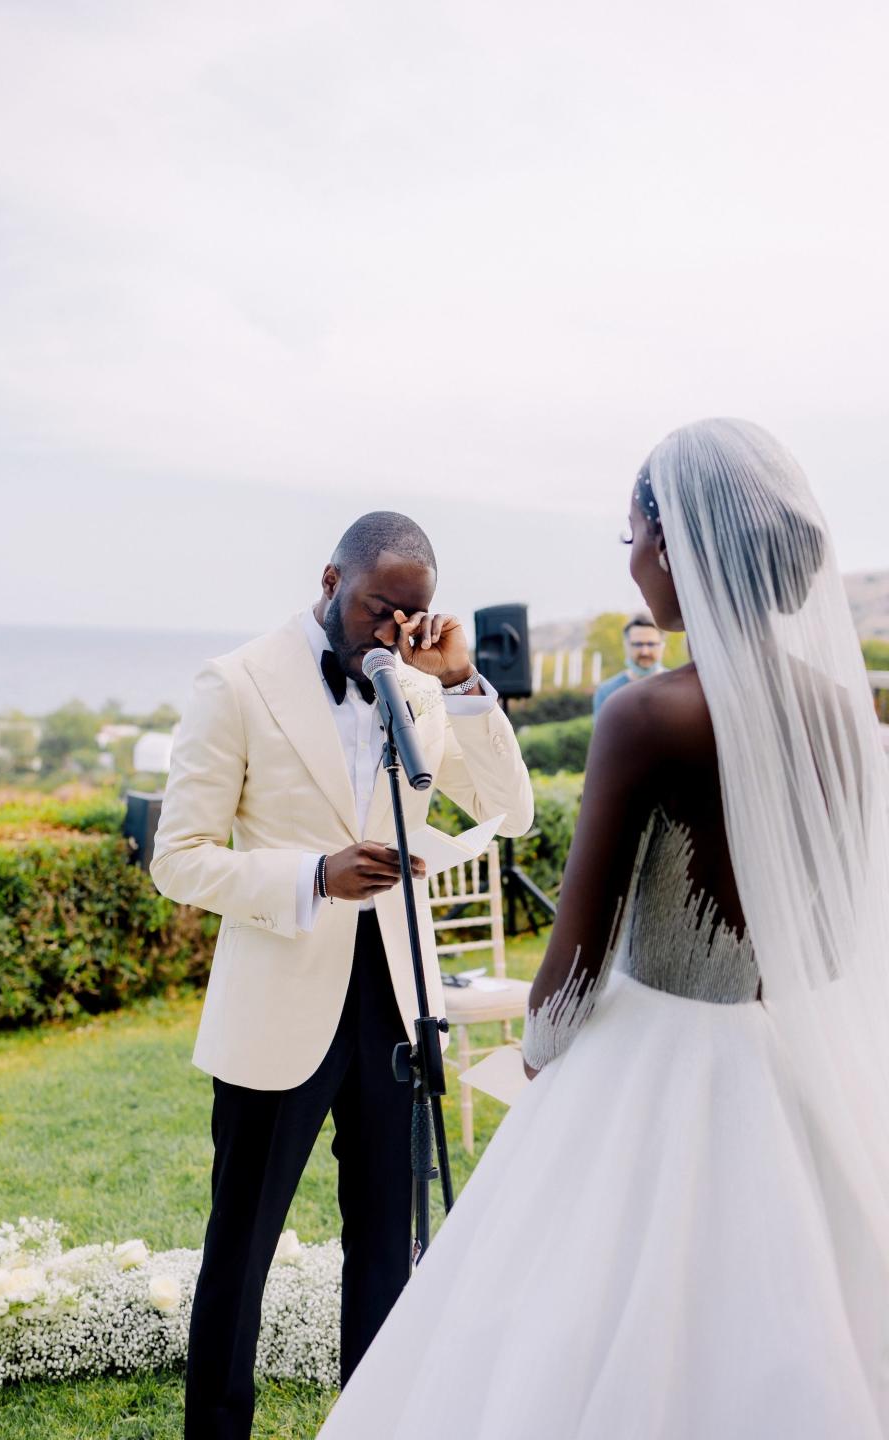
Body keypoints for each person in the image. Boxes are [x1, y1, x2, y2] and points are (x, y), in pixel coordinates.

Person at [317, 421, 889, 1439]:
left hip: (655, 1056)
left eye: (629, 533)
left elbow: (576, 956)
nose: (628, 558)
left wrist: (544, 1058)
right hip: (793, 1056)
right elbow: (838, 927)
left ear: (672, 547)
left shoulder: (650, 715)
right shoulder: (847, 713)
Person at [149, 510, 534, 1439]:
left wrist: (462, 683)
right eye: (378, 608)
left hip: (396, 1004)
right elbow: (179, 857)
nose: (391, 632)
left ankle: (374, 1421)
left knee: (385, 1246)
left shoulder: (422, 687)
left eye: (413, 615)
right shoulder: (235, 683)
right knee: (240, 1247)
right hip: (279, 1001)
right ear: (329, 581)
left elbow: (512, 810)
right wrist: (311, 875)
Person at [591, 612, 665, 719]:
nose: (645, 652)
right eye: (638, 644)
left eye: (651, 644)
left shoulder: (679, 687)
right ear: (626, 646)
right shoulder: (606, 692)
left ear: (662, 645)